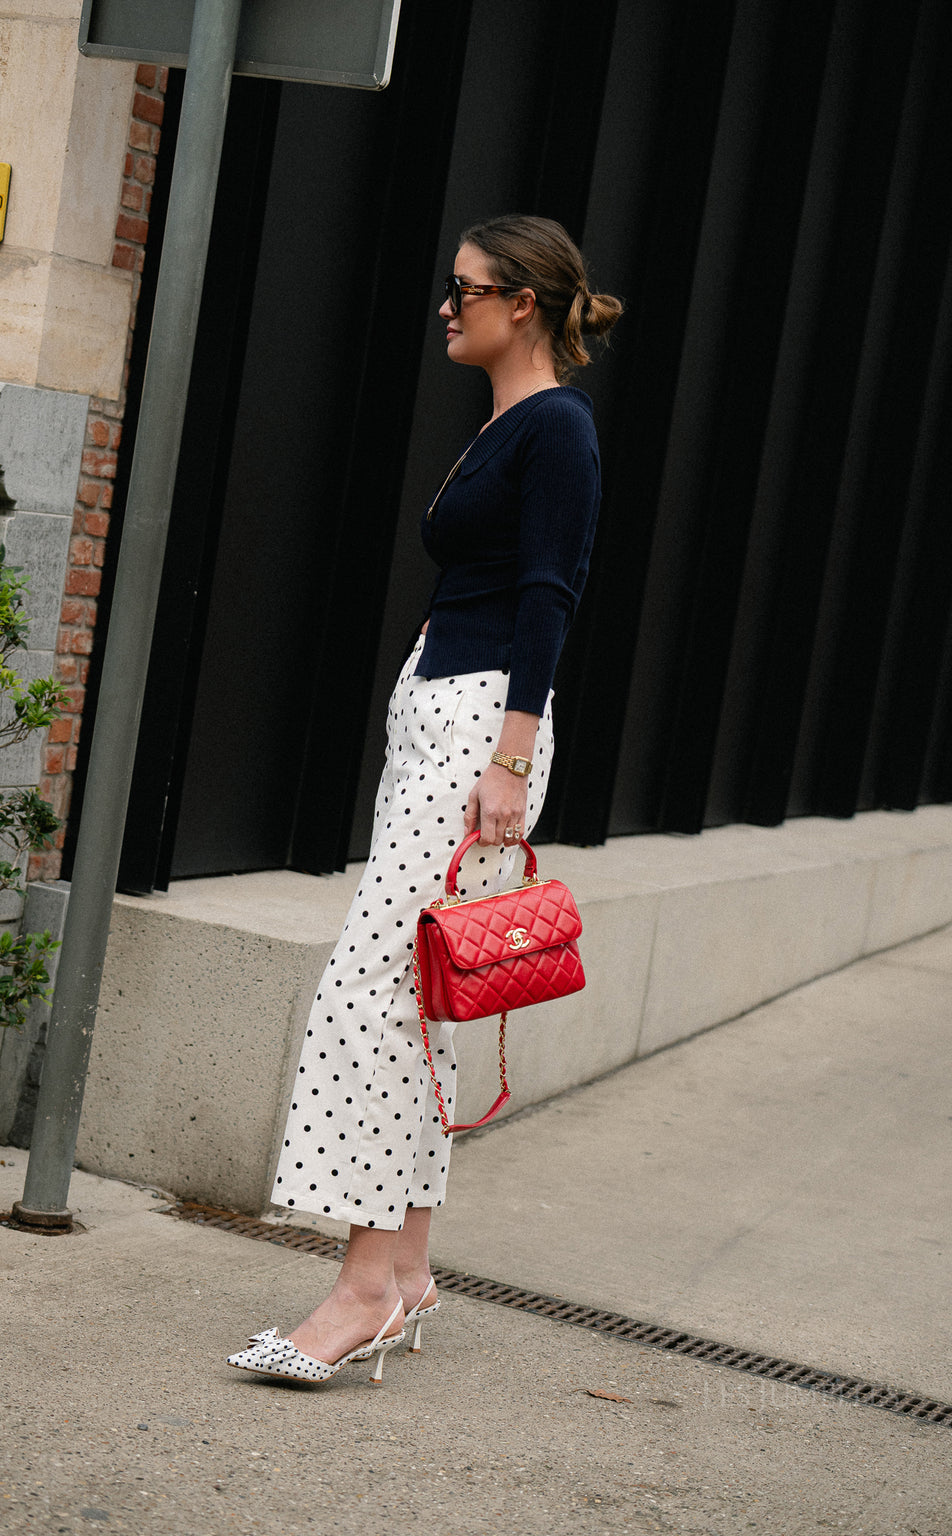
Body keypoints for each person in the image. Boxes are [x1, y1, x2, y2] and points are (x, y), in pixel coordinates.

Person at [228, 215, 622, 1385]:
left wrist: (509, 758)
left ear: (527, 305)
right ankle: (403, 1275)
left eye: (466, 288)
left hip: (479, 736)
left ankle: (358, 1289)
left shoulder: (557, 427)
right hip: (448, 719)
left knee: (368, 993)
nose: (447, 305)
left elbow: (551, 593)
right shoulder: (508, 422)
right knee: (420, 994)